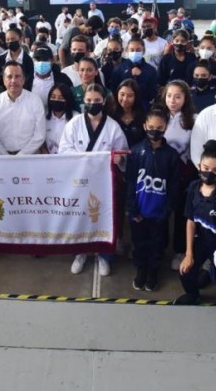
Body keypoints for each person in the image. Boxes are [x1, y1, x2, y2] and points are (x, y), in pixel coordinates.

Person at [60, 83, 128, 277]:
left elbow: (122, 152)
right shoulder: (74, 124)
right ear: (84, 101)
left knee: (103, 218)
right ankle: (80, 253)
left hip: (104, 182)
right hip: (79, 180)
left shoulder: (113, 127)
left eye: (97, 100)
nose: (93, 104)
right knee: (79, 216)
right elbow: (64, 150)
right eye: (89, 100)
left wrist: (120, 159)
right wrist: (86, 159)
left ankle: (104, 255)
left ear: (104, 101)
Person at [173, 139, 216, 306]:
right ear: (199, 166)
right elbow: (190, 221)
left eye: (215, 170)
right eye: (206, 168)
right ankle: (193, 295)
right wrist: (189, 254)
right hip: (202, 240)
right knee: (185, 271)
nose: (209, 173)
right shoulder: (193, 188)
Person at [125, 108, 182, 291]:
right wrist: (132, 208)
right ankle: (141, 269)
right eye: (151, 127)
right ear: (144, 126)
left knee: (157, 244)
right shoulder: (136, 152)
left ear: (165, 128)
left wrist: (167, 210)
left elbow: (174, 186)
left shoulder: (172, 155)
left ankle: (153, 271)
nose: (154, 131)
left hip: (159, 213)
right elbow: (130, 181)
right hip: (139, 210)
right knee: (139, 243)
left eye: (159, 128)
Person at [157, 80, 195, 270]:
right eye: (169, 96)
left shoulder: (193, 120)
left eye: (177, 97)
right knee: (161, 210)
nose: (172, 100)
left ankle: (180, 250)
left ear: (185, 98)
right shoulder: (158, 116)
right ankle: (160, 246)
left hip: (182, 171)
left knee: (181, 212)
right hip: (160, 170)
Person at [0, 62, 46, 155]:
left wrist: (21, 155)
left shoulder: (35, 100)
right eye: (9, 77)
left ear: (23, 79)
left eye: (17, 76)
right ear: (4, 80)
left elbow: (40, 135)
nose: (13, 81)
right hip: (3, 158)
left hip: (30, 157)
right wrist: (6, 157)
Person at [111, 37, 158, 107]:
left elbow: (152, 94)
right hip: (123, 107)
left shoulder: (151, 70)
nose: (135, 52)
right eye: (132, 50)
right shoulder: (118, 69)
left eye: (138, 50)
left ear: (143, 51)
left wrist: (141, 77)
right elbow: (114, 91)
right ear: (127, 50)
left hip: (143, 108)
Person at [112, 78, 146, 147]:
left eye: (130, 96)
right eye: (122, 94)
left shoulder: (143, 117)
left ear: (136, 97)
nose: (125, 99)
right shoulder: (111, 115)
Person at [44, 83, 77, 154]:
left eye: (61, 98)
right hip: (48, 158)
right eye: (53, 97)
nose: (56, 100)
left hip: (69, 157)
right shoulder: (44, 117)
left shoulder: (76, 118)